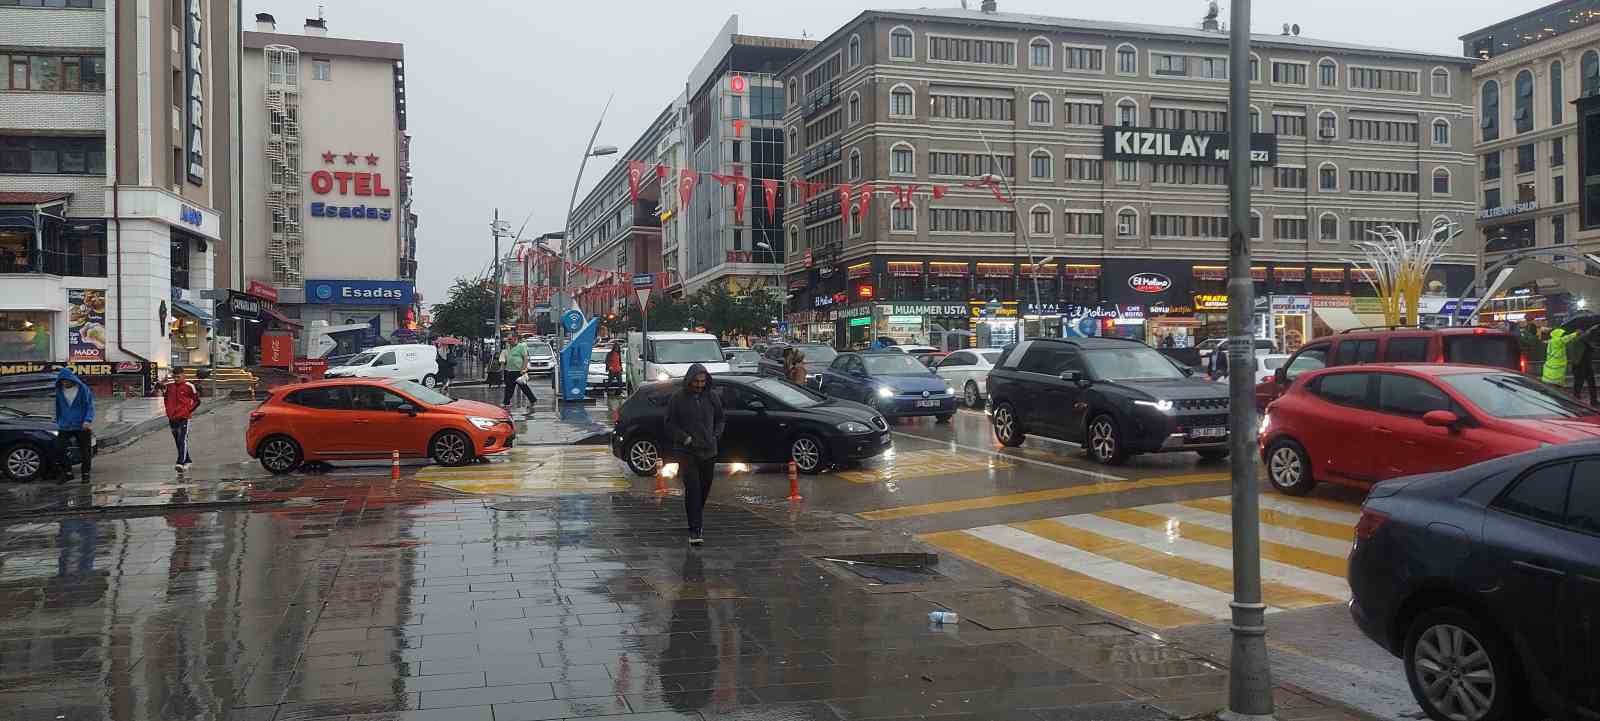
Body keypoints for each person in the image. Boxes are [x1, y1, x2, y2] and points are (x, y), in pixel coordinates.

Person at [664, 364, 724, 545]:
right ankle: (695, 529)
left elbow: (721, 419)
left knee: (704, 489)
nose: (699, 385)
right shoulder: (678, 398)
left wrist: (715, 435)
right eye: (696, 382)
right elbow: (669, 423)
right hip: (687, 452)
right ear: (689, 380)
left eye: (702, 382)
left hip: (709, 451)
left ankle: (696, 515)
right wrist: (685, 439)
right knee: (693, 490)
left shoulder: (712, 397)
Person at [52, 367, 94, 482]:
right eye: (62, 381)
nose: (64, 383)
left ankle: (85, 474)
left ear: (71, 379)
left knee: (85, 451)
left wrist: (88, 420)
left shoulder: (82, 389)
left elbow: (89, 406)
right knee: (59, 449)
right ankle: (68, 472)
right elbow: (58, 406)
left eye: (66, 380)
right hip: (65, 425)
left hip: (81, 425)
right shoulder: (59, 391)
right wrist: (58, 420)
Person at [161, 370, 200, 472]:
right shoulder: (169, 386)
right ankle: (187, 460)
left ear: (183, 375)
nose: (176, 379)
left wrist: (188, 411)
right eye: (175, 377)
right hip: (172, 417)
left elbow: (197, 401)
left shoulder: (189, 386)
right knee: (177, 440)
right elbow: (158, 391)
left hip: (184, 417)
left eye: (178, 377)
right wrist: (161, 382)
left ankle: (180, 462)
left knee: (182, 439)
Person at [501, 335, 532, 406]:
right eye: (508, 339)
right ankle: (506, 402)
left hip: (518, 371)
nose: (508, 341)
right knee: (509, 387)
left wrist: (523, 369)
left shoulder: (521, 347)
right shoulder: (508, 347)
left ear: (515, 339)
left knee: (524, 387)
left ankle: (532, 400)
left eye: (510, 339)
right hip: (509, 370)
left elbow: (525, 358)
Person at [1573, 326, 1599, 404]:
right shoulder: (1578, 340)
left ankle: (1593, 400)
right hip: (1580, 365)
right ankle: (1577, 400)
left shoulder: (1583, 340)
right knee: (1580, 384)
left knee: (1590, 383)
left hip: (1585, 365)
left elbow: (1592, 348)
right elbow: (1585, 338)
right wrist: (1591, 329)